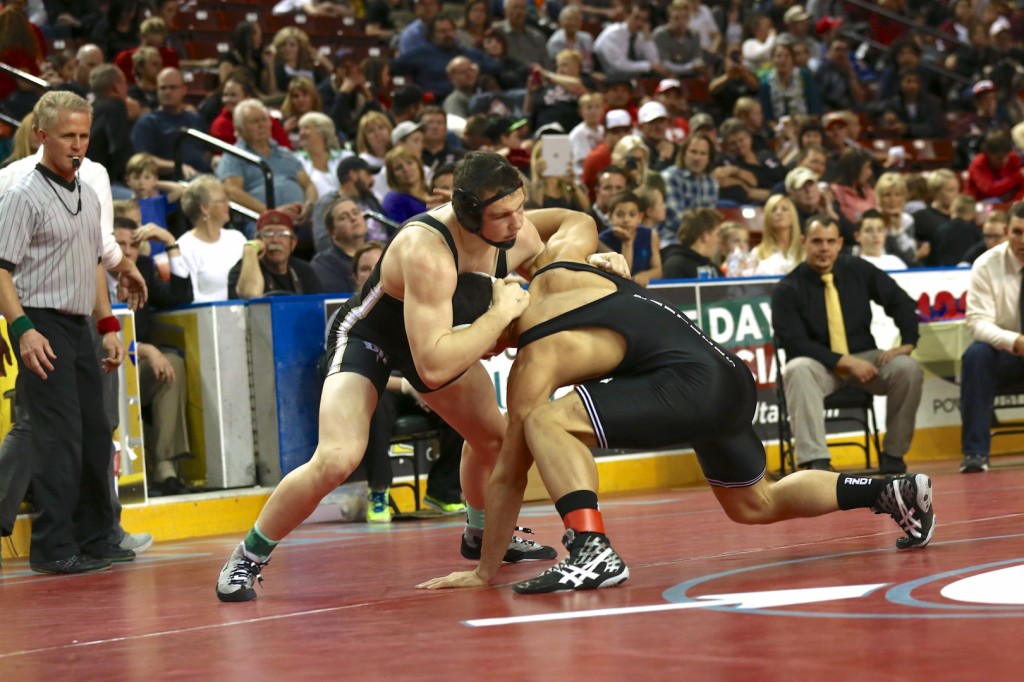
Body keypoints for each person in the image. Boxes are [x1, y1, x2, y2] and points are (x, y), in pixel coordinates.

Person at [417, 207, 935, 594]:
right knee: (756, 503)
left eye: (483, 340)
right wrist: (497, 224)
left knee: (546, 423)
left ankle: (590, 548)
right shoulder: (561, 266)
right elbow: (574, 217)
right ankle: (890, 491)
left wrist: (484, 572)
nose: (488, 350)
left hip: (689, 385)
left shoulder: (535, 358)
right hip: (728, 377)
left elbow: (508, 473)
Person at [215, 151, 628, 602]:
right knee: (337, 457)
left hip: (436, 339)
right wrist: (499, 315)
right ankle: (247, 557)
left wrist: (597, 266)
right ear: (469, 214)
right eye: (503, 215)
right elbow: (432, 365)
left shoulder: (516, 231)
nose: (517, 224)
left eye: (521, 208)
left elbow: (574, 223)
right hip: (372, 339)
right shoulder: (425, 247)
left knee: (496, 438)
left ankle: (481, 533)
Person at [0, 91, 147, 574]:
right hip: (38, 319)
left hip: (79, 320)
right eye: (68, 136)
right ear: (42, 135)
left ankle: (96, 536)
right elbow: (1, 270)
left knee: (96, 430)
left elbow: (90, 264)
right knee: (58, 435)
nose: (77, 145)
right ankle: (53, 547)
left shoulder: (86, 191)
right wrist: (21, 327)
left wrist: (106, 325)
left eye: (84, 135)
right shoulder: (21, 194)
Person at [772, 215, 923, 473]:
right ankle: (815, 461)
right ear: (803, 242)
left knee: (908, 369)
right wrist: (844, 361)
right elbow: (794, 343)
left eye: (830, 241)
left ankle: (893, 456)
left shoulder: (859, 269)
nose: (824, 248)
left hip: (867, 359)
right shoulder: (788, 288)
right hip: (820, 365)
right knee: (797, 368)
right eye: (817, 241)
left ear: (840, 243)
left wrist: (907, 342)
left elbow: (902, 301)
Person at [111, 215, 194, 495]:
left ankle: (165, 468)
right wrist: (145, 348)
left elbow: (180, 297)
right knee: (160, 358)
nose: (126, 251)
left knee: (172, 365)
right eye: (119, 243)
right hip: (101, 364)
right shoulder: (90, 272)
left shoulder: (143, 268)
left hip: (136, 367)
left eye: (132, 245)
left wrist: (171, 242)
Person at [960, 202, 1024, 473]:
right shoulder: (986, 264)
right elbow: (977, 323)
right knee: (976, 354)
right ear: (1007, 230)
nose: (1023, 240)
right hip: (1006, 354)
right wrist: (1017, 342)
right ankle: (975, 453)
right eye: (1018, 232)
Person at [216, 98, 318, 224]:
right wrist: (271, 212)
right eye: (254, 121)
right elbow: (232, 191)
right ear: (240, 129)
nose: (261, 125)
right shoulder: (234, 156)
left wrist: (309, 205)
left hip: (300, 218)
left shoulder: (285, 153)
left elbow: (308, 185)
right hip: (262, 221)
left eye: (264, 120)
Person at [130, 67, 211, 179]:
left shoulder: (195, 119)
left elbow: (206, 150)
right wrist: (177, 166)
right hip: (173, 181)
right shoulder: (147, 122)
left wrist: (214, 160)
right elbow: (142, 159)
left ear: (184, 90)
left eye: (173, 87)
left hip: (204, 174)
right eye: (163, 88)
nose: (168, 92)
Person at [176, 175, 247, 302]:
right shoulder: (184, 247)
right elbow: (191, 297)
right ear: (205, 208)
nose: (228, 206)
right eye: (223, 201)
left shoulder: (237, 239)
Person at [228, 210, 323, 299]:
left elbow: (321, 307)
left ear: (293, 243)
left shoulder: (304, 271)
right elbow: (251, 295)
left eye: (283, 234)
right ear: (258, 240)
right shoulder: (242, 270)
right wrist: (250, 249)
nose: (275, 240)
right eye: (268, 234)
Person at [598, 190, 661, 285]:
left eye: (632, 214)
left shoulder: (651, 234)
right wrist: (627, 242)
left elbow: (658, 270)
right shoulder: (602, 240)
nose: (626, 220)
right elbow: (623, 275)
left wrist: (646, 275)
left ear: (640, 217)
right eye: (620, 215)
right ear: (610, 217)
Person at [661, 133, 719, 232]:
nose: (697, 158)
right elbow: (677, 219)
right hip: (673, 238)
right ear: (684, 154)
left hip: (701, 239)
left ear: (709, 158)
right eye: (693, 152)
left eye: (703, 153)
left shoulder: (711, 183)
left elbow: (710, 219)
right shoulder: (670, 177)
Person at [311, 197, 367, 293]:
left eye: (356, 212)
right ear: (332, 232)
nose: (353, 218)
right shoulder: (324, 264)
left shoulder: (380, 252)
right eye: (343, 217)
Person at [661, 206, 722, 279]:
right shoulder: (675, 267)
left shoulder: (712, 266)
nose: (719, 239)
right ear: (705, 236)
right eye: (718, 234)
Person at [753, 194, 802, 276]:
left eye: (784, 209)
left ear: (793, 215)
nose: (779, 213)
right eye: (773, 210)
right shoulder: (757, 253)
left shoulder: (805, 252)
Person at [930, 195, 982, 267]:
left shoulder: (941, 230)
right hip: (968, 272)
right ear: (973, 213)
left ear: (952, 209)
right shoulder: (976, 232)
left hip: (944, 272)